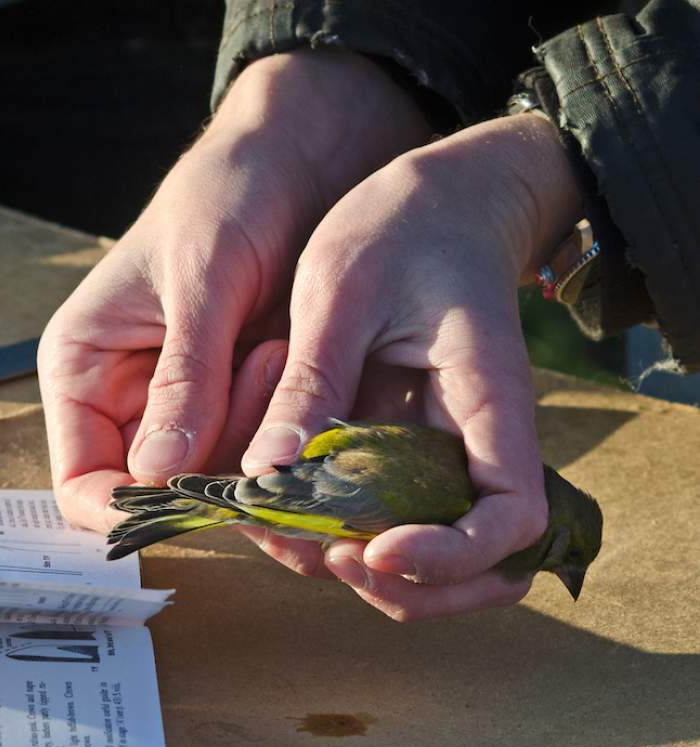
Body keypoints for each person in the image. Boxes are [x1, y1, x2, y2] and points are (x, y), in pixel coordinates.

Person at [37, 1, 700, 621]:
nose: (567, 569)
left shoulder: (457, 462)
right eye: (568, 551)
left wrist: (539, 179)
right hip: (319, 488)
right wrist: (306, 99)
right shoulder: (447, 494)